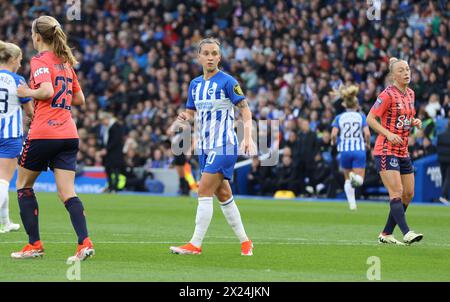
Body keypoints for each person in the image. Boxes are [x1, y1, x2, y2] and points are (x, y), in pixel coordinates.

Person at [11, 16, 94, 260]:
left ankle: (34, 244)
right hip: (68, 132)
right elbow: (80, 100)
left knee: (24, 185)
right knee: (68, 192)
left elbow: (46, 91)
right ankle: (84, 242)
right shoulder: (66, 63)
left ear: (37, 36)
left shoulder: (40, 60)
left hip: (44, 133)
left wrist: (27, 92)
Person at [169, 38, 256, 256]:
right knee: (223, 194)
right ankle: (246, 242)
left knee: (204, 189)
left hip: (225, 144)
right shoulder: (195, 85)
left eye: (214, 53)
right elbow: (191, 113)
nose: (210, 57)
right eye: (206, 53)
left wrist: (248, 137)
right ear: (199, 57)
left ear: (219, 57)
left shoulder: (228, 82)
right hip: (206, 147)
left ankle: (195, 244)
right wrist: (185, 116)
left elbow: (245, 110)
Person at [366, 57, 423, 245]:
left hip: (403, 150)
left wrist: (414, 122)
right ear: (392, 75)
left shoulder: (411, 94)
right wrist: (388, 134)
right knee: (397, 191)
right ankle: (406, 232)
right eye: (401, 70)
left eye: (407, 69)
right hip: (386, 149)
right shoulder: (387, 95)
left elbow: (406, 117)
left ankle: (386, 233)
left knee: (409, 194)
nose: (406, 72)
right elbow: (370, 119)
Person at [0, 41, 34, 233]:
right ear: (12, 59)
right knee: (4, 181)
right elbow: (29, 112)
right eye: (20, 60)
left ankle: (5, 222)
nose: (20, 65)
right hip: (9, 136)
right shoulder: (17, 81)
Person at [331, 85, 371, 210]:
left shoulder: (339, 117)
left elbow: (333, 134)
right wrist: (368, 144)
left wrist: (334, 142)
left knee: (347, 179)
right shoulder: (361, 116)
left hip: (345, 150)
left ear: (345, 105)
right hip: (358, 149)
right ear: (356, 105)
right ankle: (356, 178)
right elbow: (367, 133)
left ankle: (352, 204)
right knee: (360, 180)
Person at [98, 111, 125, 193]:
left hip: (115, 153)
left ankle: (115, 188)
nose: (102, 122)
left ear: (107, 118)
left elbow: (115, 140)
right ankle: (110, 186)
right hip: (109, 153)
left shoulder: (115, 126)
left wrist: (106, 149)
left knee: (115, 170)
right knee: (108, 169)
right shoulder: (109, 127)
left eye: (103, 120)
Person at [437, 120, 450, 205]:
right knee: (448, 178)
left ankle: (444, 197)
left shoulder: (440, 135)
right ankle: (443, 196)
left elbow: (437, 147)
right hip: (449, 160)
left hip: (441, 159)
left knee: (444, 177)